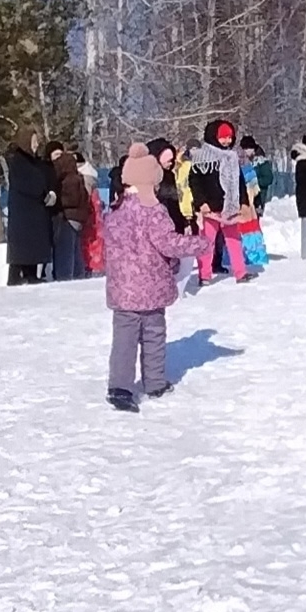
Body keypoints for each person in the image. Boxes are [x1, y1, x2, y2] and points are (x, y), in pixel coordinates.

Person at [103, 144, 210, 413]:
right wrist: (199, 244)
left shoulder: (114, 211)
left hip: (123, 289)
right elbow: (168, 243)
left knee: (124, 341)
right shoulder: (153, 211)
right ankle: (154, 382)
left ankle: (119, 387)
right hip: (150, 287)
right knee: (153, 335)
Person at [188, 119, 251, 286]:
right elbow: (195, 182)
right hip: (210, 208)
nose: (227, 141)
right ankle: (205, 274)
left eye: (230, 137)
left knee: (234, 239)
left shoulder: (232, 157)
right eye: (223, 137)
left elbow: (240, 182)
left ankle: (241, 272)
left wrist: (244, 202)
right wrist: (201, 202)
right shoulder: (201, 157)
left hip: (230, 207)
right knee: (207, 242)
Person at [6, 128, 55, 286]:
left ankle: (31, 273)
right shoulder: (18, 160)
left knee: (32, 244)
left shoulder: (33, 161)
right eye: (33, 142)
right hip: (23, 211)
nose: (36, 145)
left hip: (34, 210)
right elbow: (29, 183)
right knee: (21, 247)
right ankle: (15, 276)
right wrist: (43, 192)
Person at [51, 150, 90, 281]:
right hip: (79, 218)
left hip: (69, 217)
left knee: (66, 250)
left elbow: (72, 199)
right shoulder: (79, 177)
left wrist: (58, 201)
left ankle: (65, 277)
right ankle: (79, 275)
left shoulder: (68, 180)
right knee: (75, 249)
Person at [146, 138, 188, 235]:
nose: (170, 163)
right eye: (168, 161)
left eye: (172, 160)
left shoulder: (169, 176)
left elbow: (175, 201)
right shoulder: (146, 177)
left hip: (173, 222)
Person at [76, 150, 105, 276]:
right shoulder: (90, 177)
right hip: (95, 221)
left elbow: (84, 199)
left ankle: (89, 269)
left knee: (88, 246)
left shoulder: (84, 178)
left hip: (89, 219)